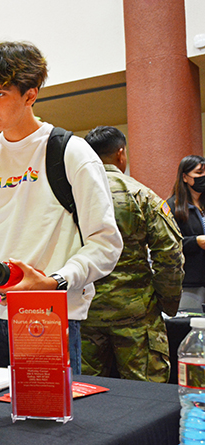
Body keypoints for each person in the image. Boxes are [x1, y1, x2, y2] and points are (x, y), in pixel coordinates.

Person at [0, 41, 122, 374]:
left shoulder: (71, 153)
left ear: (30, 96)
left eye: (0, 93)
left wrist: (57, 281)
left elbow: (105, 244)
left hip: (49, 313)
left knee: (46, 419)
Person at [80, 126, 184, 382]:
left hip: (84, 311)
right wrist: (166, 303)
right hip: (136, 313)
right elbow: (169, 253)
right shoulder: (141, 194)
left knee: (84, 391)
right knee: (146, 397)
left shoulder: (71, 197)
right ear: (121, 154)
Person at [167, 155, 205, 311]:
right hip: (190, 282)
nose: (204, 177)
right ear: (185, 177)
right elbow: (169, 244)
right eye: (199, 173)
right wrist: (196, 241)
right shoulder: (172, 206)